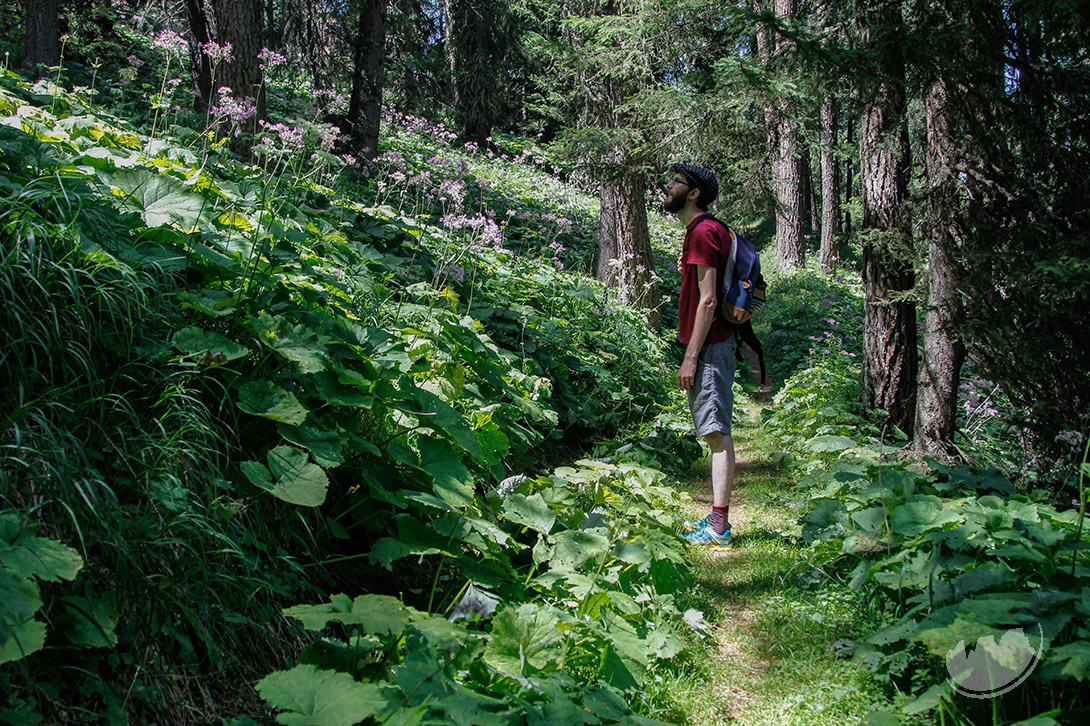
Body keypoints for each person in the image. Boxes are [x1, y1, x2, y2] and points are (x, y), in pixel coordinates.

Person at [664, 162, 735, 549]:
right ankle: (716, 517)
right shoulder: (706, 231)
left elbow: (708, 301)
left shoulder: (704, 231)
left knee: (715, 433)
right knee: (714, 429)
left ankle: (720, 527)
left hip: (710, 346)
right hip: (714, 344)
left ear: (693, 194)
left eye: (674, 183)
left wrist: (691, 356)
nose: (667, 187)